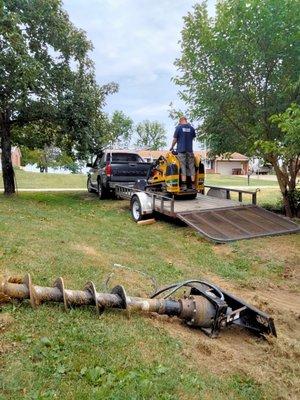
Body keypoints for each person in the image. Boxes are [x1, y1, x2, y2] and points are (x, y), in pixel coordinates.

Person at [170, 116, 196, 190]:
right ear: (186, 120)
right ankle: (192, 185)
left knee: (183, 167)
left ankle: (184, 186)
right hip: (190, 151)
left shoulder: (178, 128)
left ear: (181, 121)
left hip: (181, 151)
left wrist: (172, 147)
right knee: (191, 167)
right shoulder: (192, 128)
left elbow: (175, 139)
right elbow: (193, 137)